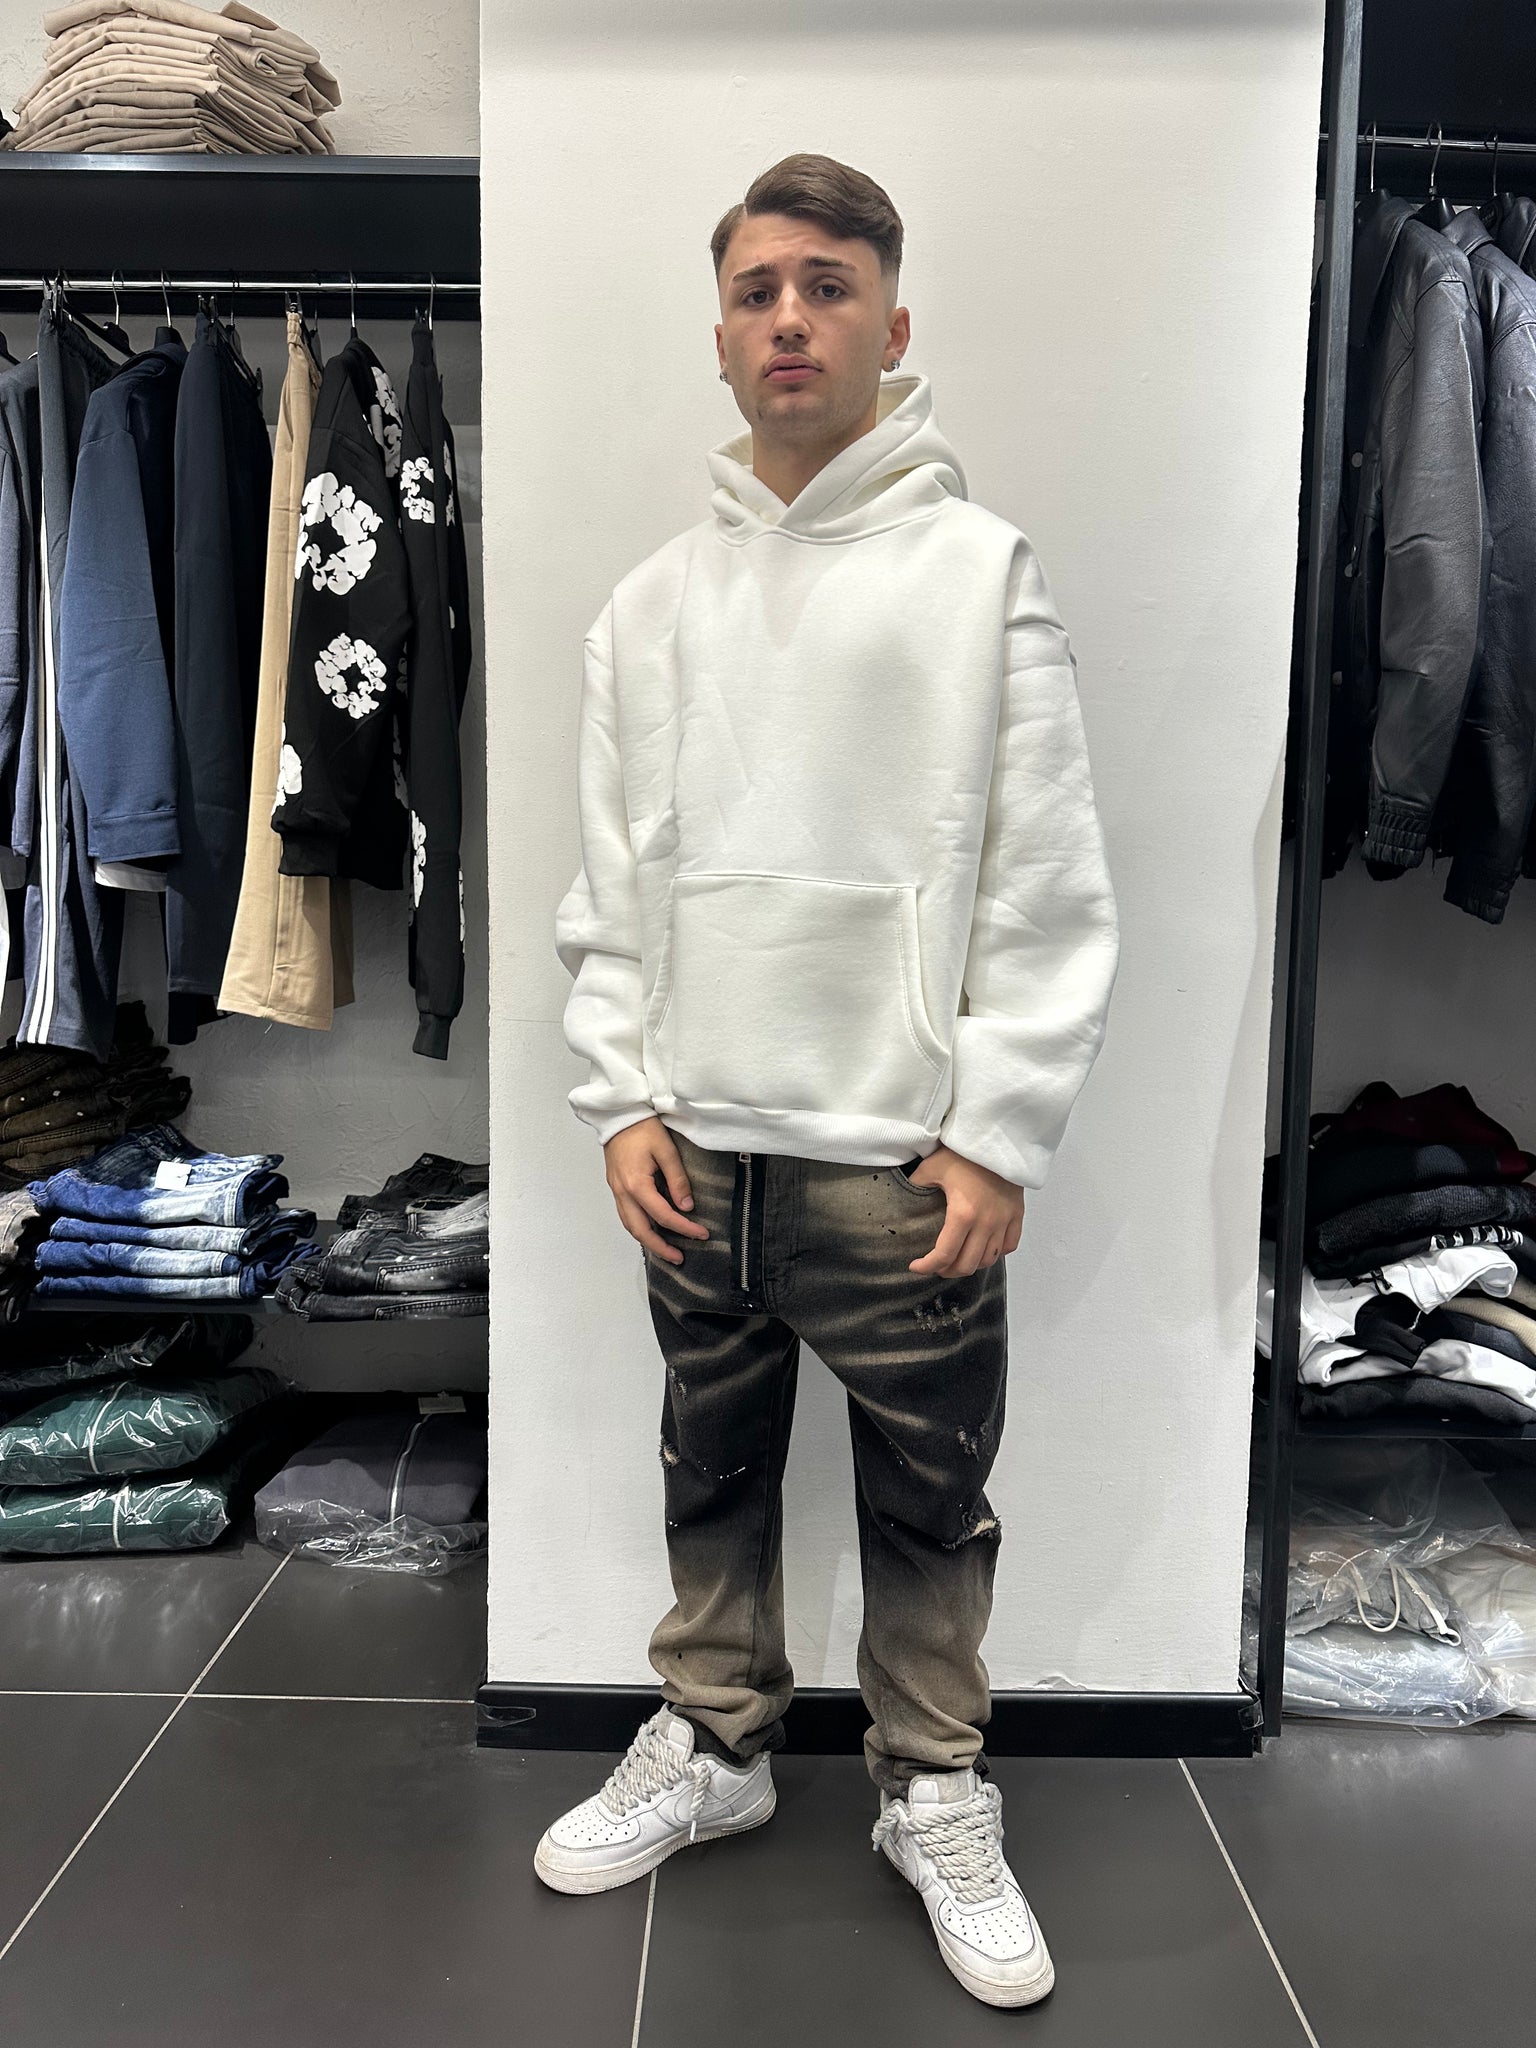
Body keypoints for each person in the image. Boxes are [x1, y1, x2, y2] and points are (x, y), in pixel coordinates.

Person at [538, 152, 1119, 2010]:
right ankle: (714, 1744)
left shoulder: (979, 574)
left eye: (828, 285)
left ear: (891, 322)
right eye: (758, 290)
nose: (790, 318)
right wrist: (621, 1098)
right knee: (708, 1468)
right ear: (719, 334)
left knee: (930, 1495)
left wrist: (1001, 1127)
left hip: (898, 1156)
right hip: (697, 1148)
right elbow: (612, 883)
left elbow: (1044, 878)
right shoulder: (647, 608)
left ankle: (932, 1786)